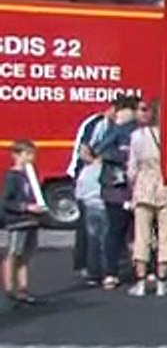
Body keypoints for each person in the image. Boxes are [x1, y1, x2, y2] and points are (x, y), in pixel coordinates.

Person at [127, 99, 167, 297]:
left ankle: (140, 283)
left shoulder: (137, 136)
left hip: (143, 187)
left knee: (142, 236)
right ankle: (162, 282)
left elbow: (132, 169)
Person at [94, 96, 139, 290]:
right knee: (115, 231)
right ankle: (111, 272)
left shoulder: (140, 130)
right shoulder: (114, 130)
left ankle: (142, 270)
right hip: (116, 189)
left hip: (136, 188)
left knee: (139, 232)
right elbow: (100, 150)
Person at [69, 102, 112, 279]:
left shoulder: (101, 123)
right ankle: (91, 267)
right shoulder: (98, 123)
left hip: (87, 180)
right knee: (92, 228)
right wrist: (98, 162)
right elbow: (84, 151)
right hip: (86, 179)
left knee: (87, 227)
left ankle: (84, 263)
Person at [3, 140, 45, 305]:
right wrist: (26, 207)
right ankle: (9, 287)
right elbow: (6, 201)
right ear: (16, 156)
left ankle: (23, 288)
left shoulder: (30, 175)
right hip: (18, 221)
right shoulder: (12, 176)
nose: (31, 158)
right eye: (27, 154)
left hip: (31, 221)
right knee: (13, 254)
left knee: (26, 256)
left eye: (32, 154)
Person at [75, 155, 109, 288]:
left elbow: (79, 192)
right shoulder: (104, 170)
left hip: (89, 207)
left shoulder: (86, 170)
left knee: (92, 240)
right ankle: (105, 271)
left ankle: (92, 273)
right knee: (104, 240)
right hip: (103, 206)